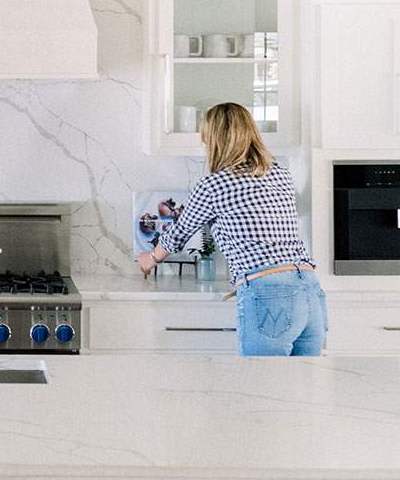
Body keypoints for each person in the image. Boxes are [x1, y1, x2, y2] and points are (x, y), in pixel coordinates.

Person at [137, 102, 326, 357]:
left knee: (261, 388)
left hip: (269, 292)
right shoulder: (280, 174)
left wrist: (151, 258)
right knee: (303, 389)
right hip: (309, 287)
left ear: (214, 140)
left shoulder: (214, 184)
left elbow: (180, 232)